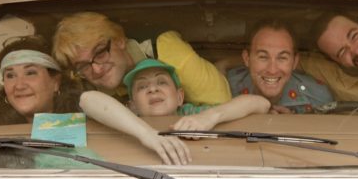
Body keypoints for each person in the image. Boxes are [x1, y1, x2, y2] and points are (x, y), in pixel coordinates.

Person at [79, 58, 270, 165]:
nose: (153, 89)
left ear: (180, 97)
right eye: (142, 87)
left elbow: (261, 103)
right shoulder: (129, 119)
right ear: (132, 105)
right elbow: (87, 99)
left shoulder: (193, 113)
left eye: (161, 82)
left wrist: (210, 117)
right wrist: (147, 134)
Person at [52, 12, 231, 106]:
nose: (97, 69)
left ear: (120, 40)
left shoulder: (166, 49)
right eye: (83, 65)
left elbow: (220, 106)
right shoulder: (84, 84)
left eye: (100, 53)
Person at [227, 20, 333, 113]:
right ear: (247, 59)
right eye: (263, 57)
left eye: (282, 58)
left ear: (295, 62)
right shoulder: (225, 88)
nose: (272, 70)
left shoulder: (318, 98)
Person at [0, 35, 80, 125]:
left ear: (56, 82)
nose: (19, 85)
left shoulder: (83, 113)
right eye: (10, 76)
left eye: (30, 73)